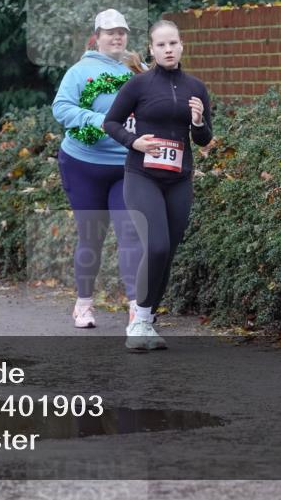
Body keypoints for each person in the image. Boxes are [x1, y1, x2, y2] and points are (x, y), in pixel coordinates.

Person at [103, 19, 212, 351]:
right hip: (142, 176)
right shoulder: (139, 85)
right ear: (151, 49)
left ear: (181, 47)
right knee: (158, 246)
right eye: (161, 45)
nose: (168, 49)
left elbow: (205, 138)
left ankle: (147, 321)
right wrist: (134, 142)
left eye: (173, 43)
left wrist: (197, 121)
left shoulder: (197, 87)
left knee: (168, 252)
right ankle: (138, 320)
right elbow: (111, 122)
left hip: (179, 179)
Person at [52, 9, 146, 328]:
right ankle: (83, 305)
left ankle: (137, 308)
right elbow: (61, 108)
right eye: (110, 32)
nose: (117, 37)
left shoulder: (138, 68)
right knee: (91, 236)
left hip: (125, 166)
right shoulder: (80, 71)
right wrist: (100, 122)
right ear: (97, 37)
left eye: (121, 31)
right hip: (83, 164)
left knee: (130, 233)